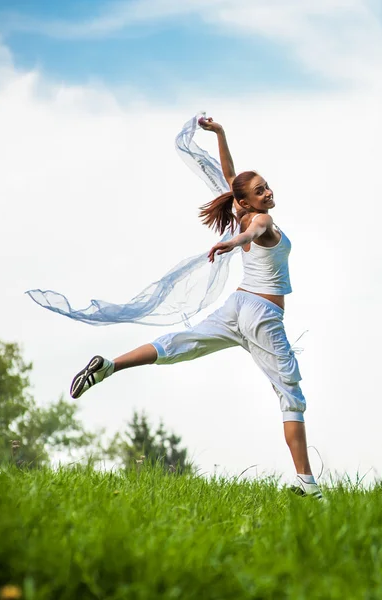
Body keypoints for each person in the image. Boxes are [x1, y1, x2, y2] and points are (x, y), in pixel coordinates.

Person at [69, 116, 322, 499]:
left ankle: (109, 366)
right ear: (247, 201)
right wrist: (234, 243)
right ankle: (308, 486)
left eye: (267, 186)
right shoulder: (260, 221)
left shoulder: (242, 209)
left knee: (177, 344)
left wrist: (220, 134)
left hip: (237, 306)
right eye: (260, 190)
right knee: (291, 397)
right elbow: (253, 233)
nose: (268, 192)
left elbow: (230, 174)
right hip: (263, 317)